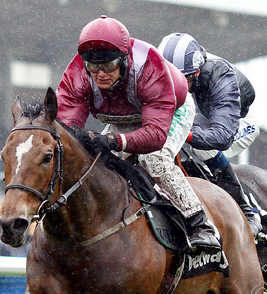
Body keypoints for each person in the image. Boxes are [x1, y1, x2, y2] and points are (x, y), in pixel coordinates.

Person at [55, 15, 220, 252]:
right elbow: (66, 132)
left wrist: (114, 140)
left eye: (109, 65)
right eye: (93, 66)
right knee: (95, 162)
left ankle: (200, 224)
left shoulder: (148, 67)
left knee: (153, 159)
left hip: (170, 109)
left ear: (124, 60)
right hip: (125, 115)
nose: (100, 74)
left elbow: (154, 135)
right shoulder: (77, 74)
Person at [157, 32, 262, 236]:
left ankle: (247, 210)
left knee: (198, 144)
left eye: (181, 79)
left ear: (196, 73)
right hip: (201, 116)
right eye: (168, 77)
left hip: (236, 124)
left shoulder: (220, 75)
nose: (172, 86)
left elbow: (222, 135)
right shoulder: (166, 66)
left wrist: (184, 135)